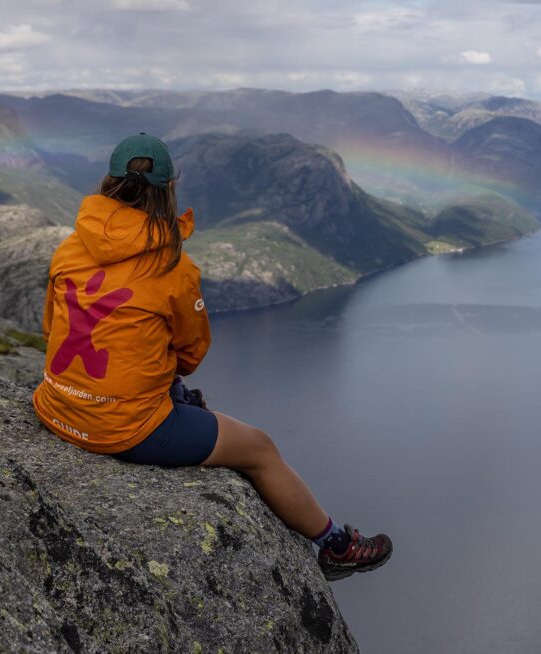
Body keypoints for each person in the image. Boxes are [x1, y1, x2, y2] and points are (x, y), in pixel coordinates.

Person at [31, 132, 391, 582]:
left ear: (108, 184)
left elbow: (51, 327)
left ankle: (178, 405)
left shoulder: (68, 248)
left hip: (55, 406)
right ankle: (336, 544)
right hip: (121, 430)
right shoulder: (172, 267)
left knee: (168, 382)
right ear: (167, 190)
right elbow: (191, 351)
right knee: (259, 449)